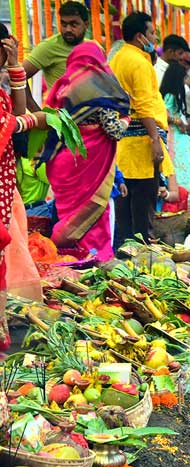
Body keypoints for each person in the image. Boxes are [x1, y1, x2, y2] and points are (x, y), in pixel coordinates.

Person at [44, 42, 128, 262]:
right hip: (91, 164)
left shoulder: (63, 88)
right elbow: (113, 131)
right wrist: (127, 121)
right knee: (94, 217)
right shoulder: (100, 91)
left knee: (70, 217)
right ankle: (94, 261)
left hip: (65, 163)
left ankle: (67, 260)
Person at [0, 23, 53, 347]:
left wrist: (17, 66)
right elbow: (14, 123)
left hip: (5, 187)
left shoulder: (1, 94)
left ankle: (7, 326)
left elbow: (15, 113)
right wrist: (32, 121)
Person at [110, 12, 176, 247]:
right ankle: (143, 251)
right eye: (151, 33)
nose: (155, 37)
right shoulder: (138, 62)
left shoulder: (117, 58)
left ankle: (124, 252)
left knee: (124, 209)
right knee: (143, 209)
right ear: (140, 36)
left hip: (122, 145)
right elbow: (143, 102)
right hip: (141, 145)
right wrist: (154, 140)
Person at [24, 1, 93, 102]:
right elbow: (18, 76)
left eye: (74, 24)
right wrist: (35, 110)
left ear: (86, 25)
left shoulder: (93, 48)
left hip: (91, 114)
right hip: (61, 116)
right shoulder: (48, 47)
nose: (68, 29)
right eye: (64, 24)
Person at [160, 61, 190, 201]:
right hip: (172, 134)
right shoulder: (169, 95)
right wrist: (178, 121)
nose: (186, 81)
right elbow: (163, 113)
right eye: (184, 78)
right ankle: (183, 193)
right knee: (180, 160)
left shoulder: (175, 93)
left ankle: (188, 193)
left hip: (179, 133)